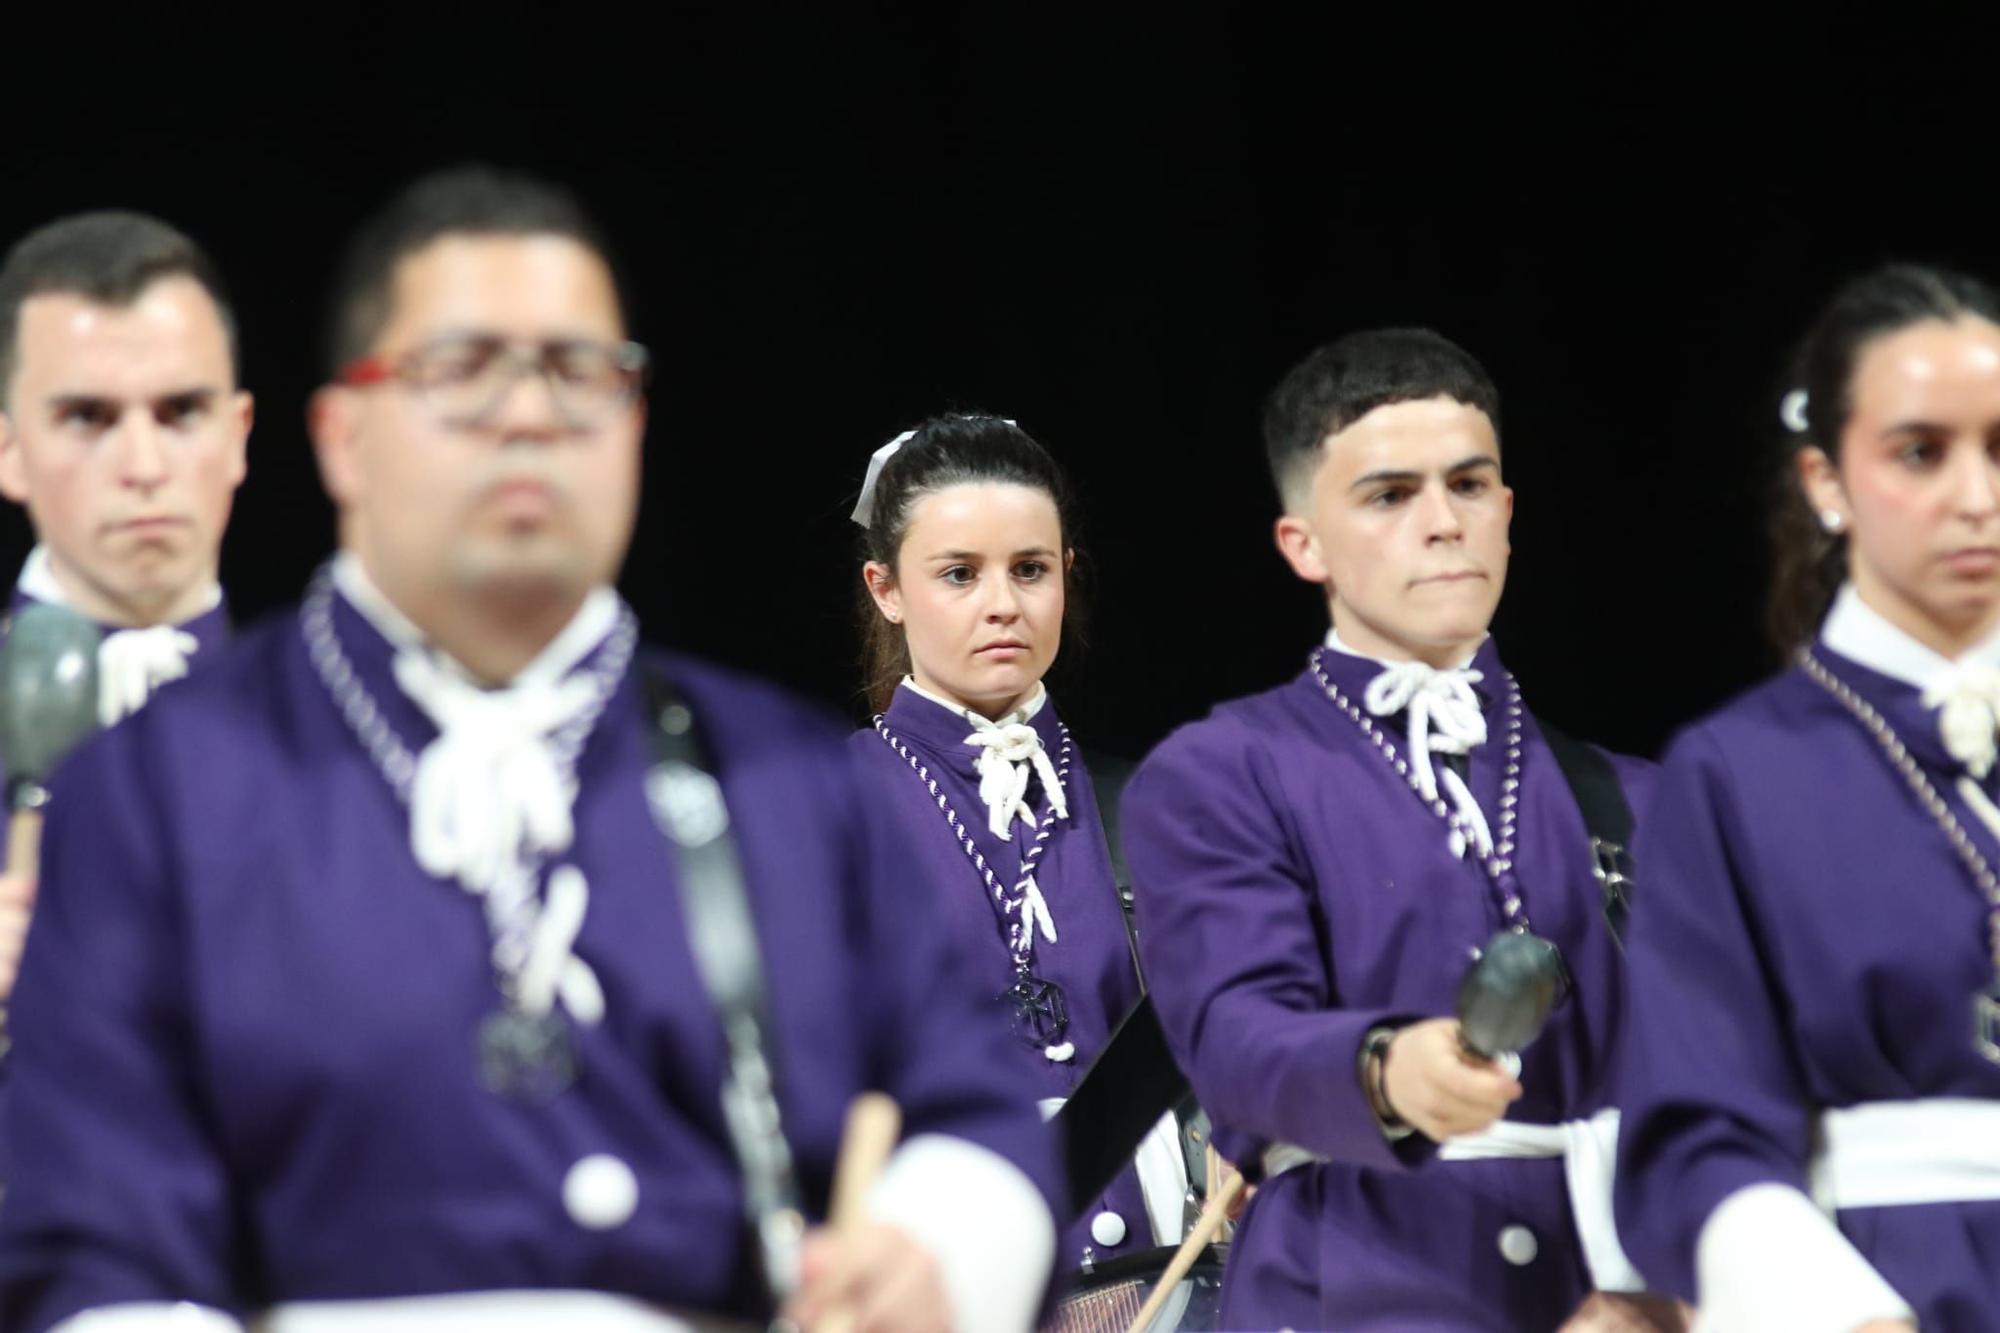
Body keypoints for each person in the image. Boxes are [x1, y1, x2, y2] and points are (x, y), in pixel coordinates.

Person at [0, 166, 1058, 1333]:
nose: (526, 415)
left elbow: (979, 1108)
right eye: (460, 371)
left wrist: (930, 1258)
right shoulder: (157, 788)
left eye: (577, 372)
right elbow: (95, 1246)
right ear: (341, 437)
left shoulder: (788, 778)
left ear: (635, 427)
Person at [1123, 328, 1668, 1330]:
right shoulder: (1219, 771)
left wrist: (1663, 1282)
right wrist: (1380, 1068)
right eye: (1387, 495)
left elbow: (1718, 1076)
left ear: (1506, 512)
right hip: (1349, 1282)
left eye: (1467, 485)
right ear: (1303, 544)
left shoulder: (1636, 798)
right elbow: (1232, 1033)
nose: (1441, 522)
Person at [1614, 263, 2000, 1332]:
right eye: (1919, 452)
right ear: (1826, 481)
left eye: (1998, 447)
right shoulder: (1741, 769)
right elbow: (1690, 1125)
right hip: (1889, 1285)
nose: (1975, 495)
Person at [846, 414, 1184, 1278]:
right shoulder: (825, 810)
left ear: (1066, 575)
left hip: (1170, 1282)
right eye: (959, 573)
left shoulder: (1151, 806)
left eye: (1030, 569)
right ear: (886, 589)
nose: (1003, 603)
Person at [0, 210, 248, 998]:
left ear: (238, 434)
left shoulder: (341, 725)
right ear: (9, 451)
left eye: (181, 413)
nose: (143, 465)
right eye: (87, 418)